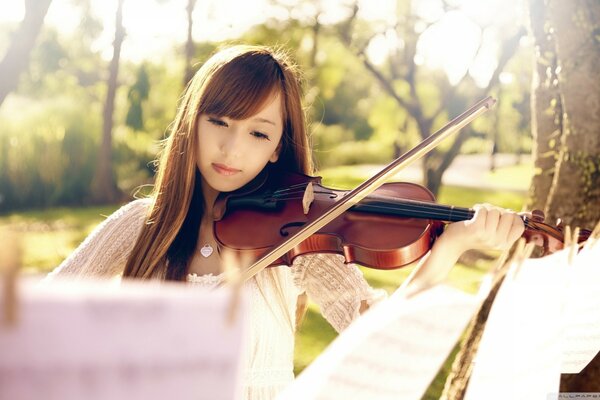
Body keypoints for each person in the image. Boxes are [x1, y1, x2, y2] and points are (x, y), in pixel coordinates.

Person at [46, 45, 524, 399]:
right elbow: (35, 319)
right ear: (192, 121)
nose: (232, 149)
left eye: (257, 132)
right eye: (219, 122)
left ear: (277, 146)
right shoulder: (139, 226)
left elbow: (377, 334)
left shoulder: (299, 236)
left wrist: (451, 247)